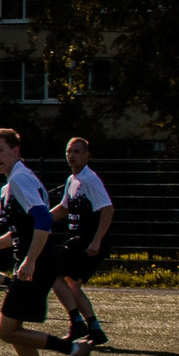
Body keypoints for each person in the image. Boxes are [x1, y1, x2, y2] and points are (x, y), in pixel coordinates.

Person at [0, 127, 90, 356]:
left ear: (15, 151)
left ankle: (74, 350)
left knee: (6, 330)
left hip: (37, 264)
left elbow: (43, 221)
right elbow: (20, 231)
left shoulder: (20, 180)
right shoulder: (17, 180)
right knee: (13, 330)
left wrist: (30, 260)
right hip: (35, 262)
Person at [50, 138, 116, 345]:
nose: (71, 155)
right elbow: (63, 209)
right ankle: (94, 329)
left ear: (87, 155)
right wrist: (39, 218)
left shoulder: (89, 179)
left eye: (77, 151)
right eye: (69, 151)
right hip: (78, 241)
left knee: (52, 272)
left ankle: (76, 322)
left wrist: (97, 241)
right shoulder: (73, 179)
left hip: (87, 242)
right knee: (72, 285)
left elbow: (107, 209)